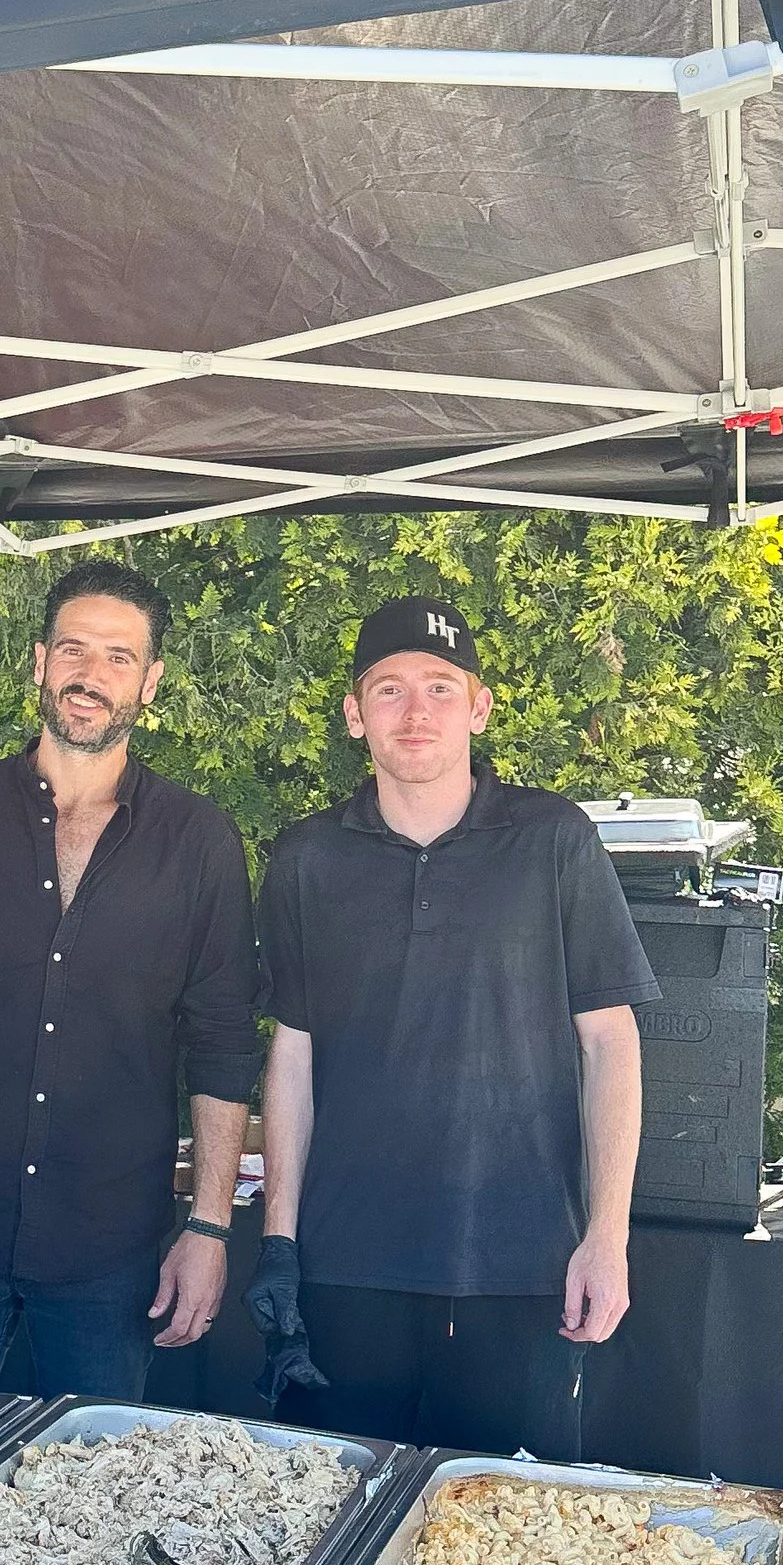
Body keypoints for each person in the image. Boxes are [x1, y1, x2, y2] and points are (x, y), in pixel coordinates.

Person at [246, 597, 654, 1457]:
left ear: (479, 705)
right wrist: (279, 1240)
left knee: (503, 1544)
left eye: (440, 685)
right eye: (388, 688)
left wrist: (606, 1236)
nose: (416, 709)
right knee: (332, 1533)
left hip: (520, 1264)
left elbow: (610, 1041)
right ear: (356, 716)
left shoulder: (554, 840)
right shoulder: (306, 857)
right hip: (345, 1265)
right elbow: (293, 1054)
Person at [0, 559, 261, 1401]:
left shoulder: (199, 842)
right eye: (74, 649)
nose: (91, 674)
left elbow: (222, 1047)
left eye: (118, 657)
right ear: (39, 662)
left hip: (110, 1256)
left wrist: (209, 1226)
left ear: (150, 682)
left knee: (90, 1504)